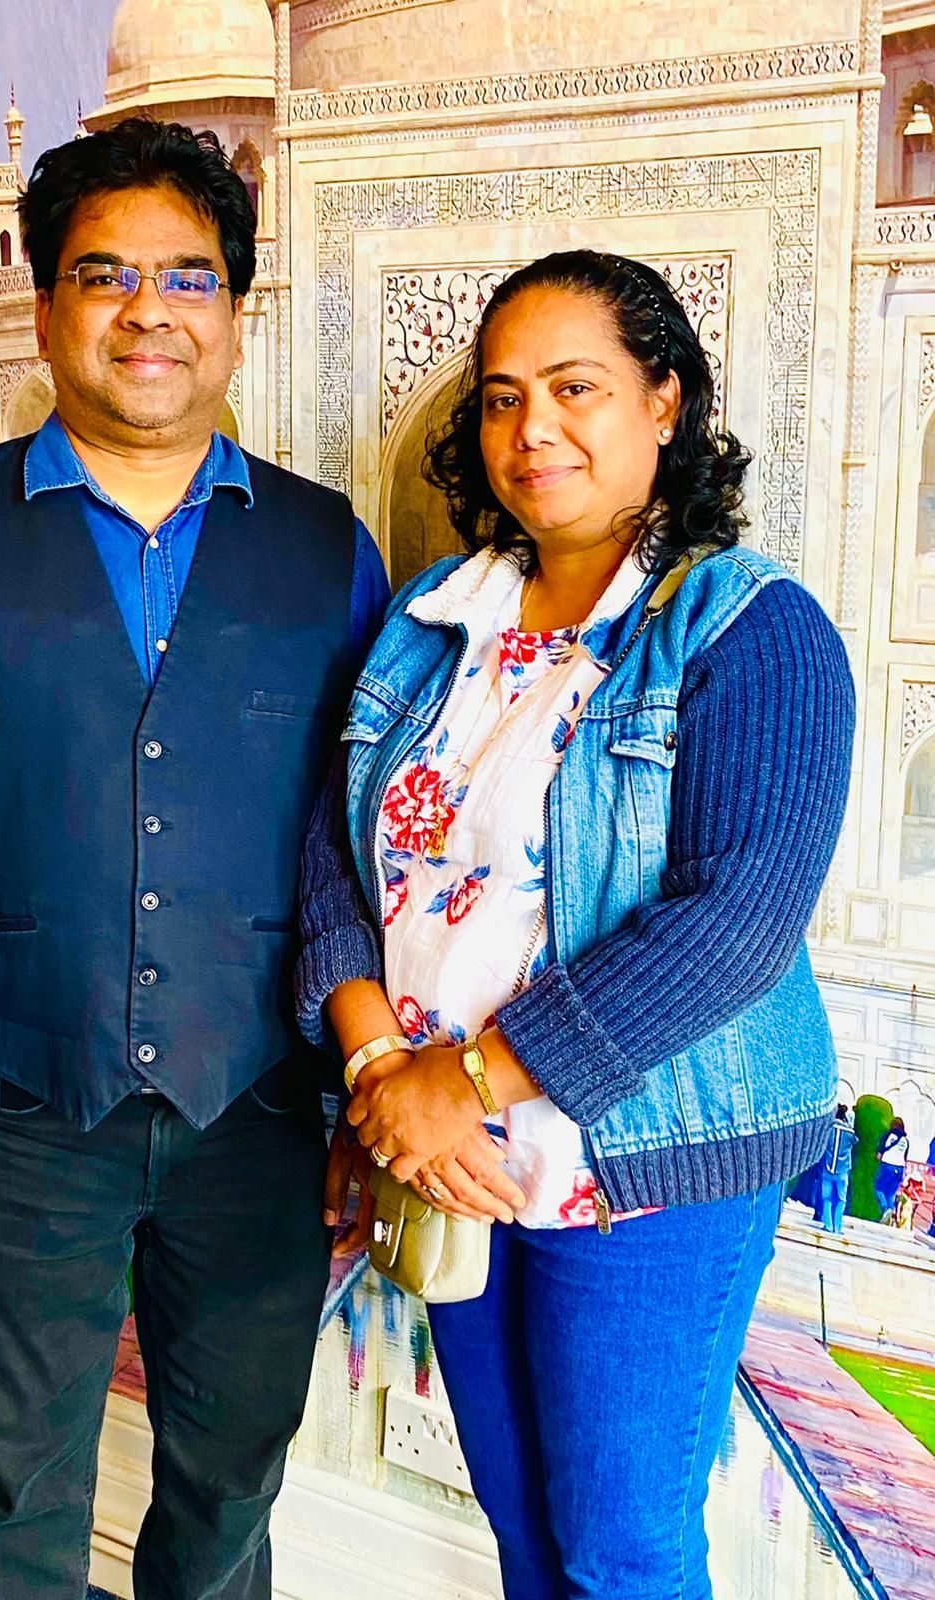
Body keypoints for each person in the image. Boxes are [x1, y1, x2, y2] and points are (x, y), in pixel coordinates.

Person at [0, 118, 390, 1600]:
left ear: (236, 313)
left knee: (232, 1482)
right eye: (105, 274)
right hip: (22, 1100)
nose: (148, 312)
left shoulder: (332, 553)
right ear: (46, 299)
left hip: (261, 1108)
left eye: (189, 278)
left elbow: (365, 855)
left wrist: (363, 1096)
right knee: (13, 1484)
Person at [296, 251, 855, 1599]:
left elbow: (735, 925)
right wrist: (380, 1070)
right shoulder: (430, 624)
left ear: (664, 401)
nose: (531, 427)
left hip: (648, 1159)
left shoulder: (748, 628)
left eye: (574, 387)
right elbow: (329, 856)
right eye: (501, 397)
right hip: (446, 1148)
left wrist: (462, 1078)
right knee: (524, 1529)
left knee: (621, 1549)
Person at [815, 1103, 857, 1234]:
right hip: (842, 1169)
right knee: (841, 1199)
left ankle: (828, 1225)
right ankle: (837, 1227)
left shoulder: (828, 1129)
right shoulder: (850, 1132)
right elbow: (855, 1141)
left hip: (828, 1167)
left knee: (826, 1198)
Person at [876, 1116, 910, 1219]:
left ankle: (885, 1208)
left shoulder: (889, 1135)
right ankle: (892, 1209)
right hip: (900, 1168)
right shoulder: (905, 1140)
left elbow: (879, 1153)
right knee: (891, 1192)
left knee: (879, 1189)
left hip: (888, 1164)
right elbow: (905, 1157)